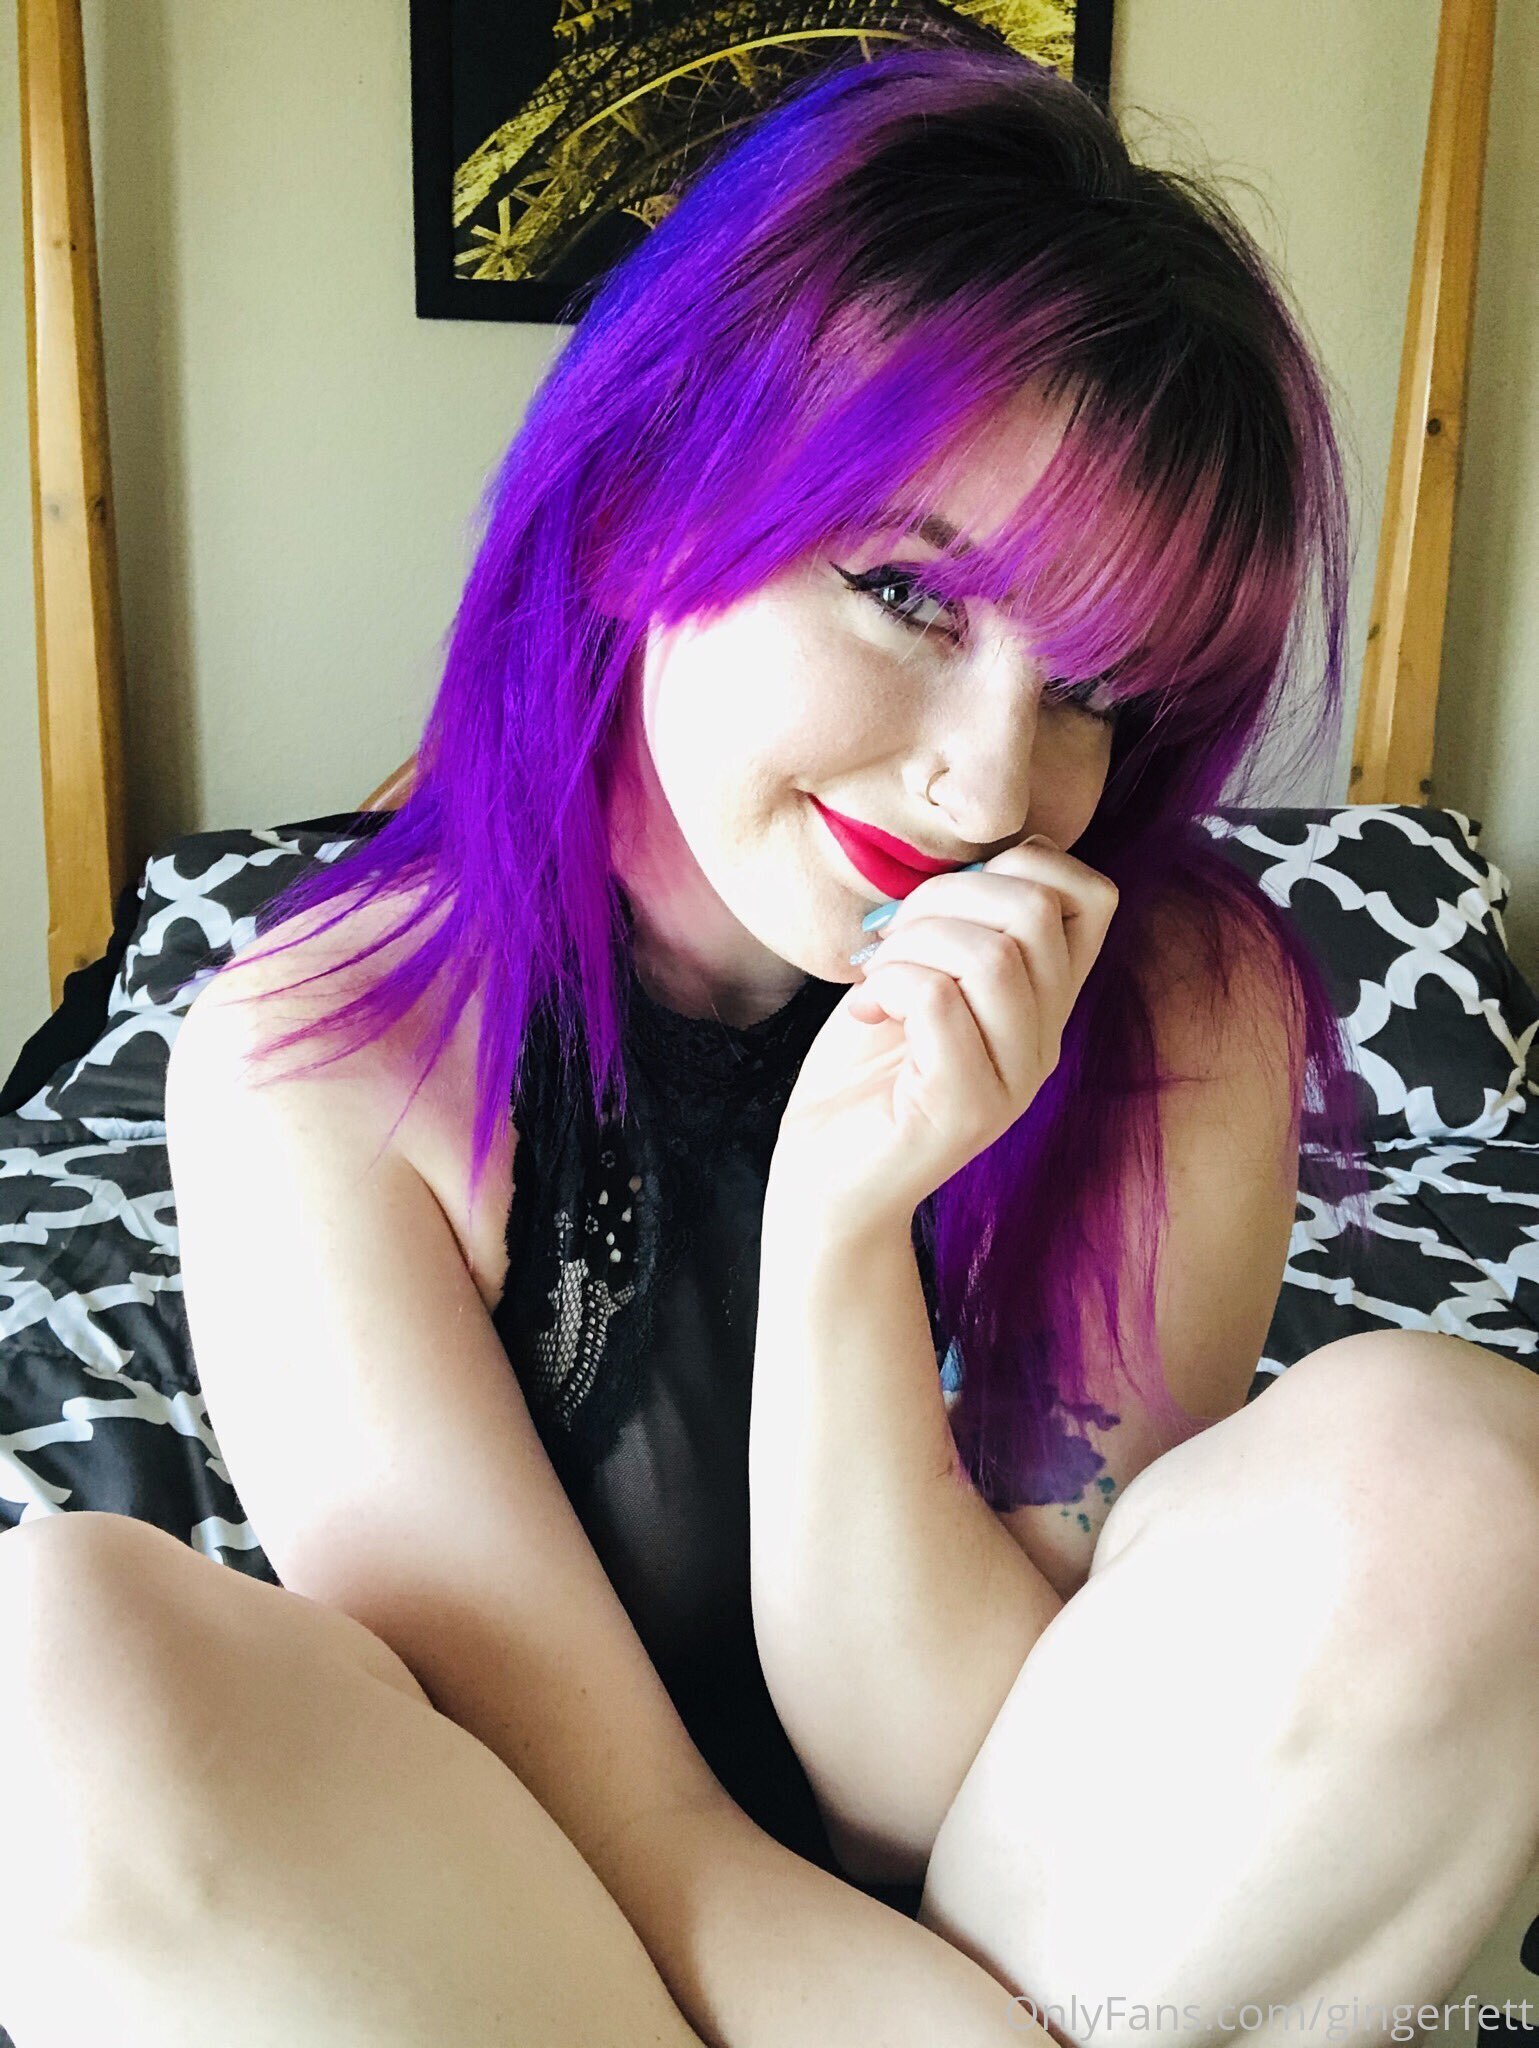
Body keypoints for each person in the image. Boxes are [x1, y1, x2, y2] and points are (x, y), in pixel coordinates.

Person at [3, 36, 1537, 2048]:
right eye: (906, 593)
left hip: (1056, 1924)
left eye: (1094, 690)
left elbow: (940, 1795)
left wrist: (838, 1237)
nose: (993, 778)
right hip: (544, 1915)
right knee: (56, 1679)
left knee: (1456, 1481)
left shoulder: (1178, 999)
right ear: (643, 511)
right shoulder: (327, 1053)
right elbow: (619, 1826)